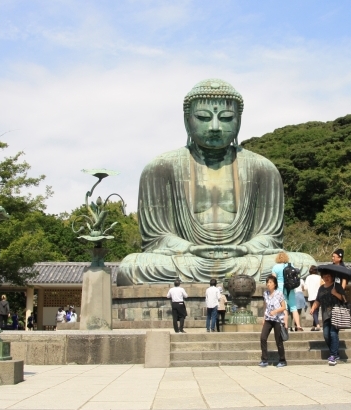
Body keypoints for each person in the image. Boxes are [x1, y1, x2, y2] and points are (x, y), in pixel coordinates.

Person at [116, 79, 316, 285]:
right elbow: (157, 237)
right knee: (133, 267)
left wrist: (246, 248)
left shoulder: (263, 169)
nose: (214, 127)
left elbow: (270, 236)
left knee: (303, 263)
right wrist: (189, 248)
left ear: (239, 121)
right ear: (187, 121)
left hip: (245, 258)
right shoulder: (160, 168)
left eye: (226, 118)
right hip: (189, 258)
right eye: (203, 117)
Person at [310, 270, 346, 366]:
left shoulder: (337, 286)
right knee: (326, 335)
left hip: (336, 313)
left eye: (328, 276)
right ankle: (335, 352)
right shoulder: (321, 288)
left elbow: (344, 299)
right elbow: (318, 300)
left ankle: (333, 355)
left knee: (333, 333)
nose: (326, 278)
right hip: (326, 315)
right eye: (324, 276)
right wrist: (313, 308)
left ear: (332, 276)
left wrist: (335, 293)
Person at [259, 275, 287, 367]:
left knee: (278, 340)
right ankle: (264, 359)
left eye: (270, 282)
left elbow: (283, 307)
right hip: (268, 319)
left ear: (275, 284)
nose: (268, 284)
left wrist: (275, 311)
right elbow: (265, 306)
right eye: (267, 282)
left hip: (278, 320)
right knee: (263, 337)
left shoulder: (279, 294)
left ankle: (282, 360)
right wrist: (264, 318)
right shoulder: (265, 294)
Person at [272, 252, 301, 331]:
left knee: (284, 308)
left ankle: (285, 326)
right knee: (293, 307)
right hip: (290, 288)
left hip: (280, 288)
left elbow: (273, 279)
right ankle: (298, 326)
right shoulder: (291, 266)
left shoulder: (275, 267)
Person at [305, 266, 322, 331]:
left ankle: (317, 324)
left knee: (314, 310)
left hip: (311, 296)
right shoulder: (319, 277)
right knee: (316, 310)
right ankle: (314, 325)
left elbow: (306, 287)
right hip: (318, 295)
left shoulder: (308, 277)